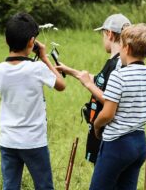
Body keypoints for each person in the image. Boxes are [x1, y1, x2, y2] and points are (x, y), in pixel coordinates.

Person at [89, 24, 146, 190]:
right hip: (139, 145)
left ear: (126, 48)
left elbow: (107, 114)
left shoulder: (118, 76)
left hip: (116, 145)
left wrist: (96, 126)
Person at [0, 12, 65, 190]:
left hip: (8, 140)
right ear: (32, 42)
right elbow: (61, 85)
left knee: (10, 186)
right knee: (44, 186)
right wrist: (45, 57)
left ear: (6, 41)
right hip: (34, 141)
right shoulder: (37, 68)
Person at [56, 14, 131, 164]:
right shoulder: (114, 61)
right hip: (102, 133)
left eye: (103, 34)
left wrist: (88, 85)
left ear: (109, 34)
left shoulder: (118, 64)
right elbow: (100, 80)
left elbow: (112, 100)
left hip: (105, 133)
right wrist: (70, 71)